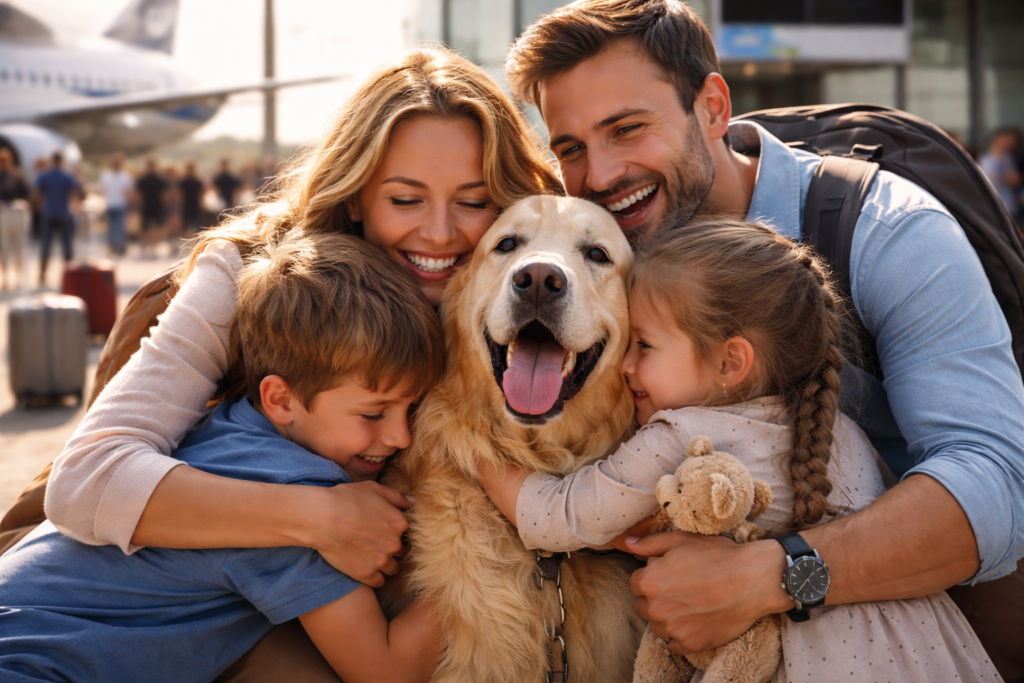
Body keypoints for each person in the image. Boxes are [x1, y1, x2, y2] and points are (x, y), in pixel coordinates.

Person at [502, 0, 1024, 677]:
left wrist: (768, 577)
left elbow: (996, 487)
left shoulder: (888, 232)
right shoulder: (595, 260)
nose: (599, 176)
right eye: (570, 148)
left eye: (627, 129)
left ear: (713, 107)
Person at [33, 47, 558, 673]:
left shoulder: (535, 285)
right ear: (358, 196)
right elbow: (85, 481)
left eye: (473, 202)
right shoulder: (255, 272)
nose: (440, 233)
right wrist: (319, 517)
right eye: (406, 199)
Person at [481, 220, 1000, 681]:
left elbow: (559, 516)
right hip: (924, 646)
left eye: (644, 345)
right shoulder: (837, 428)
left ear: (731, 363)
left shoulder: (679, 435)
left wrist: (476, 454)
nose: (626, 365)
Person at [0, 230, 447, 683]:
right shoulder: (297, 498)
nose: (401, 436)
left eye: (412, 409)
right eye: (373, 414)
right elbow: (386, 670)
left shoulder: (229, 423)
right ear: (281, 400)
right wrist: (488, 556)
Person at [33, 150, 81, 286]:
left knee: (46, 245)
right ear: (62, 161)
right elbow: (74, 194)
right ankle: (69, 275)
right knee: (67, 245)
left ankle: (42, 274)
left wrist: (37, 209)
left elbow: (36, 194)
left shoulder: (44, 175)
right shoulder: (68, 176)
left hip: (48, 212)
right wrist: (76, 208)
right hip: (64, 213)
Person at [0, 148, 30, 290]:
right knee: (18, 247)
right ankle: (17, 279)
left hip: (4, 213)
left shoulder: (11, 175)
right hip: (18, 212)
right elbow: (27, 193)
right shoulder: (16, 174)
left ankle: (6, 279)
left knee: (4, 248)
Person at [979, 127, 1022, 221]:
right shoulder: (986, 160)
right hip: (994, 206)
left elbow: (1014, 180)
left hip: (1009, 206)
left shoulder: (1009, 158)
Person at [99, 152, 134, 256]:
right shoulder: (106, 176)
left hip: (121, 204)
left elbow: (128, 192)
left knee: (120, 227)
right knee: (110, 228)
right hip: (109, 204)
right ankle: (111, 247)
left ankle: (120, 247)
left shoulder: (125, 176)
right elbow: (103, 190)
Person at [135, 157, 168, 255]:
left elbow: (164, 194)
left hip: (157, 206)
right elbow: (138, 193)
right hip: (146, 205)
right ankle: (145, 245)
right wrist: (138, 205)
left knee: (158, 227)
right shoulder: (143, 179)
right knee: (144, 227)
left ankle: (155, 246)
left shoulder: (160, 179)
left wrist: (164, 205)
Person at [178, 158, 204, 235]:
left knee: (198, 225)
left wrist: (201, 204)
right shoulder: (183, 181)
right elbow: (180, 194)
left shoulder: (198, 181)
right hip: (186, 205)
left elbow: (201, 194)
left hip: (196, 205)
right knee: (185, 225)